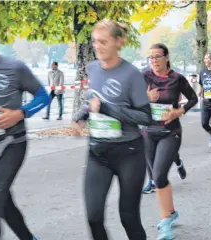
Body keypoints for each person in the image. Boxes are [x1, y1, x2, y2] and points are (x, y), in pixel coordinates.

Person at [72, 19, 151, 240]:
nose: (97, 46)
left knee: (129, 217)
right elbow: (93, 99)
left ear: (119, 41)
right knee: (94, 217)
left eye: (103, 42)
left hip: (129, 154)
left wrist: (107, 109)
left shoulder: (132, 74)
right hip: (98, 152)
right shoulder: (93, 67)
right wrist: (82, 116)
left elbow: (146, 117)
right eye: (95, 41)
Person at [0, 19, 50, 240]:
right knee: (4, 204)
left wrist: (20, 113)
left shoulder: (14, 68)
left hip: (12, 144)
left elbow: (43, 96)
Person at [142, 43, 198, 240]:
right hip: (148, 132)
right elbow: (130, 100)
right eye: (151, 57)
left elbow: (193, 98)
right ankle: (171, 212)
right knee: (158, 180)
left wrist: (179, 111)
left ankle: (165, 222)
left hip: (170, 132)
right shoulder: (144, 76)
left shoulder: (177, 79)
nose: (154, 61)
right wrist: (145, 96)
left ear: (166, 57)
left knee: (158, 176)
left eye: (157, 56)